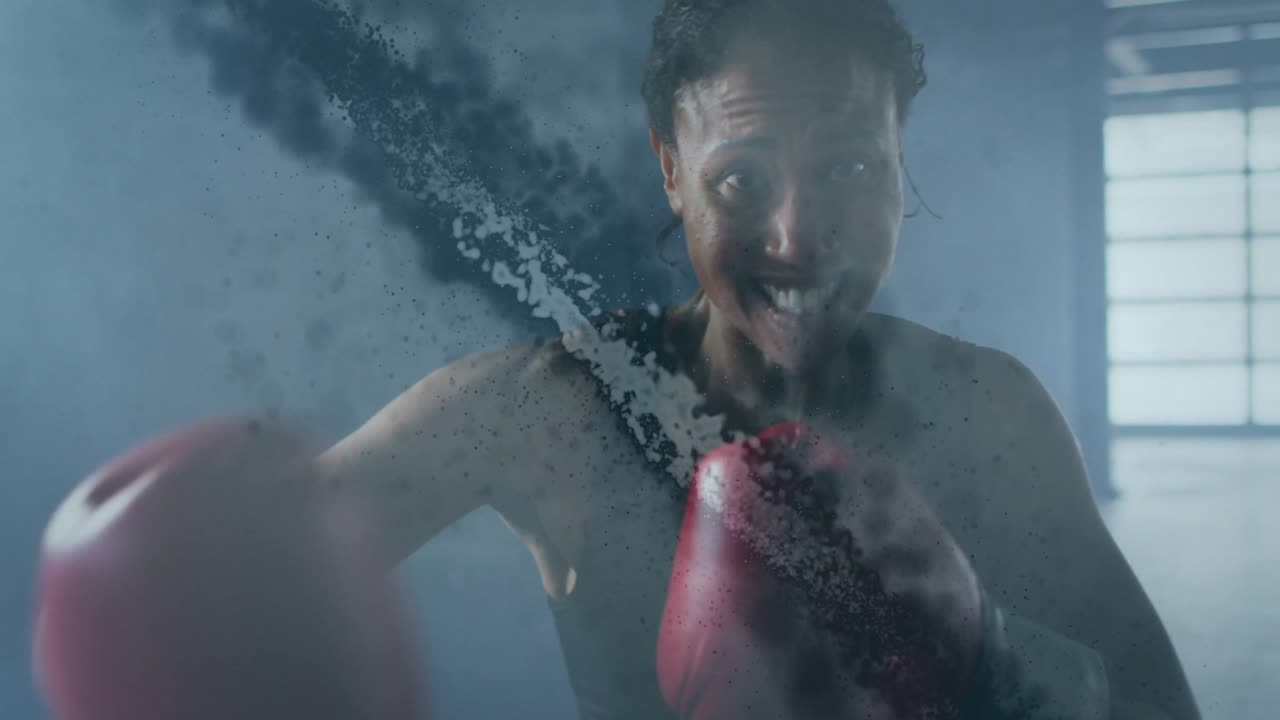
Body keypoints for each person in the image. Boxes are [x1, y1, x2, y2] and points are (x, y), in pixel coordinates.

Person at [314, 0, 1200, 717]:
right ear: (671, 170)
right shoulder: (558, 408)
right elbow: (248, 574)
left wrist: (989, 658)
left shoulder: (985, 412)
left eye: (850, 170)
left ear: (899, 161)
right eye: (741, 179)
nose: (798, 237)